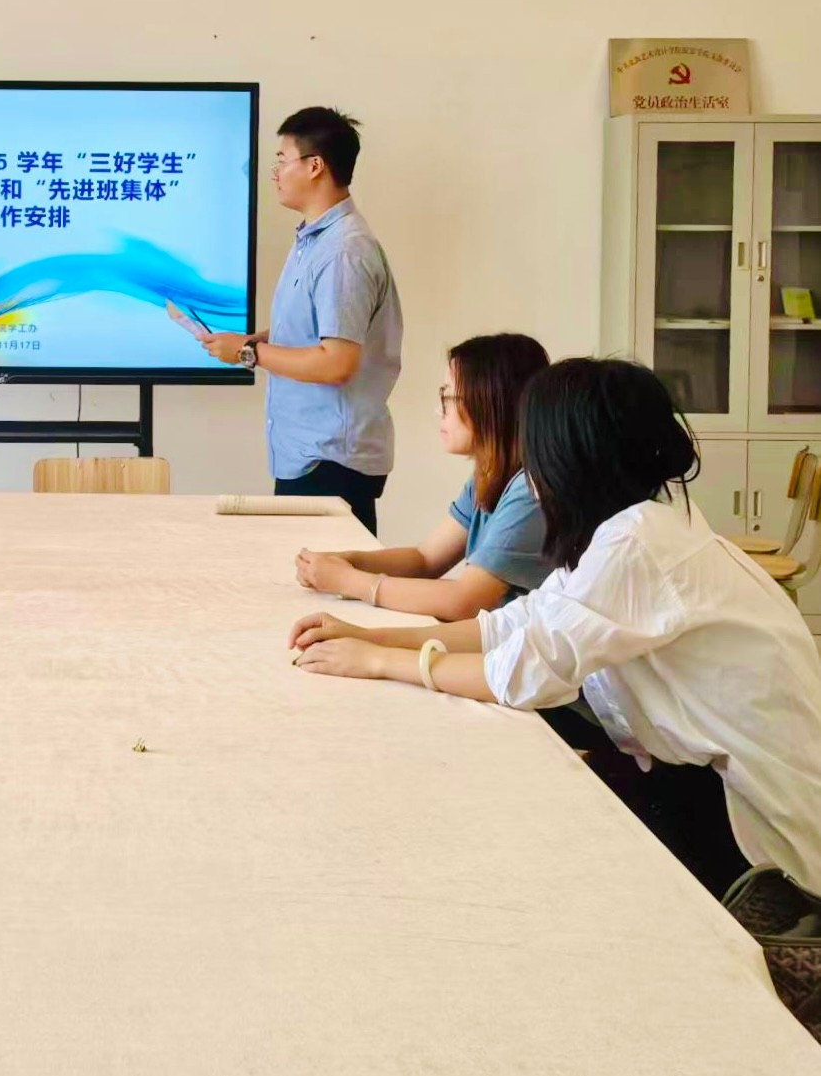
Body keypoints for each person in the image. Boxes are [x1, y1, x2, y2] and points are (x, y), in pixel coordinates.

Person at [288, 358, 821, 897]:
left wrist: (378, 661)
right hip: (701, 782)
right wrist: (370, 638)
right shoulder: (637, 521)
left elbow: (521, 673)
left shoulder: (636, 542)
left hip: (755, 836)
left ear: (568, 456)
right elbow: (517, 623)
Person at [201, 107, 402, 533]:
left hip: (330, 460)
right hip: (310, 455)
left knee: (329, 573)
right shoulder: (315, 239)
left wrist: (249, 353)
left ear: (315, 166)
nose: (275, 173)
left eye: (282, 159)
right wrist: (255, 340)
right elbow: (317, 330)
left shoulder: (342, 251)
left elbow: (336, 362)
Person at [295, 333, 552, 620]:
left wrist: (348, 580)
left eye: (447, 397)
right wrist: (346, 562)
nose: (438, 410)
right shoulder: (490, 474)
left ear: (490, 401)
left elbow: (466, 601)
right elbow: (425, 559)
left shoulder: (529, 491)